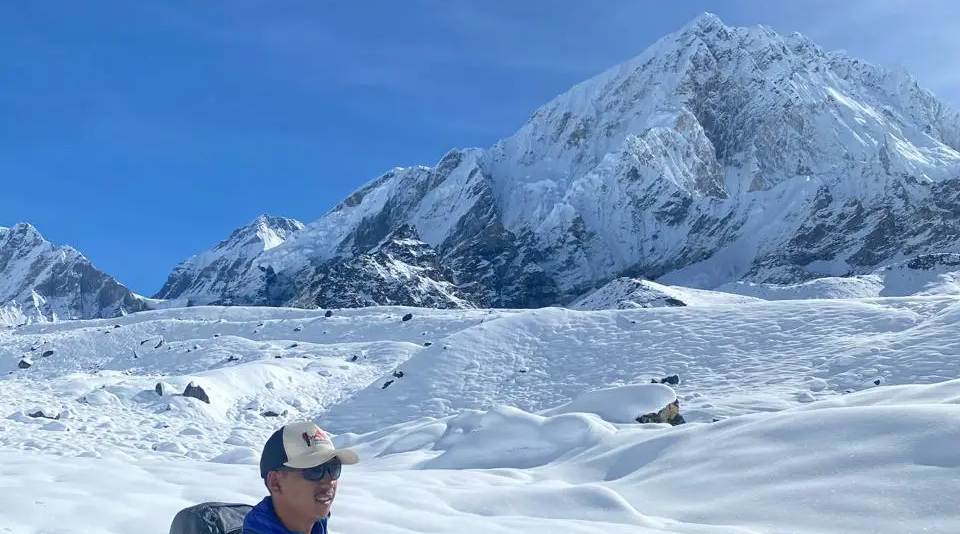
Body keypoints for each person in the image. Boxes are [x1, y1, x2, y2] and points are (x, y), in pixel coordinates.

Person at [243, 421, 359, 534]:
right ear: (276, 482)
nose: (329, 482)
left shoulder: (318, 527)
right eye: (315, 470)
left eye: (334, 468)